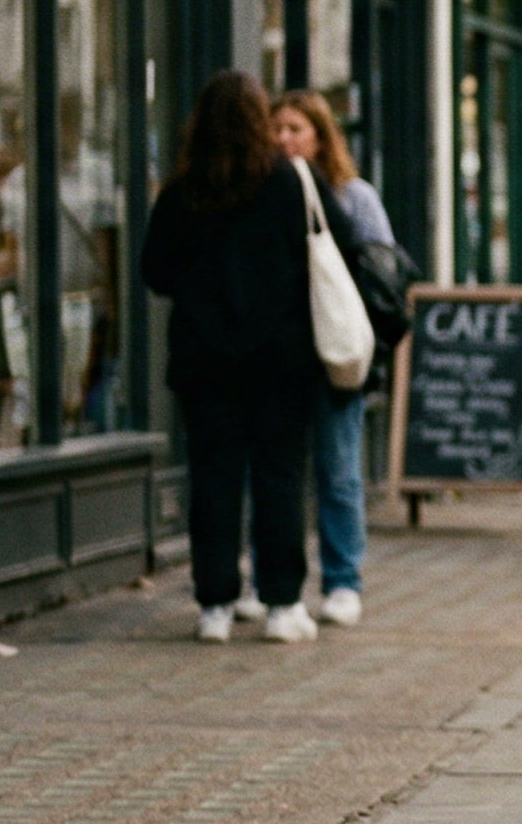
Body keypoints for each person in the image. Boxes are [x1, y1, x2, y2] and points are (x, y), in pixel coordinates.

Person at [144, 72, 351, 645]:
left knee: (213, 480)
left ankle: (215, 605)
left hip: (205, 363)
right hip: (281, 362)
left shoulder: (184, 189)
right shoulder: (290, 181)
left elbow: (154, 271)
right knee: (279, 479)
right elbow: (335, 248)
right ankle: (282, 603)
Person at [266, 91, 389, 627]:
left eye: (295, 129)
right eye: (276, 129)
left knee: (338, 469)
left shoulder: (353, 196)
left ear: (320, 137)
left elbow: (384, 270)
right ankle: (270, 580)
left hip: (336, 350)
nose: (284, 139)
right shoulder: (262, 193)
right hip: (281, 353)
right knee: (274, 474)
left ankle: (342, 580)